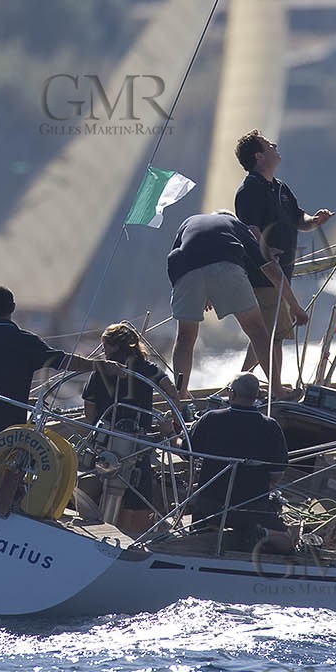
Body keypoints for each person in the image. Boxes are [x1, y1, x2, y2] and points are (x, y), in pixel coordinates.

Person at [0, 285, 126, 447]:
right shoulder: (27, 342)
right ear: (13, 308)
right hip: (7, 423)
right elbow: (64, 361)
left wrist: (22, 400)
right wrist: (103, 366)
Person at [233, 130, 333, 377]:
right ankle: (271, 389)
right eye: (268, 145)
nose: (275, 145)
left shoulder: (281, 188)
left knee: (267, 333)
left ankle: (244, 383)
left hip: (282, 273)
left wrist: (315, 221)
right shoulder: (249, 190)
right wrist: (265, 251)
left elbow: (299, 219)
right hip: (263, 273)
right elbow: (250, 229)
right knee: (272, 334)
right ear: (259, 156)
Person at [167, 211, 282, 398]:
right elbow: (263, 261)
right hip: (225, 265)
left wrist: (202, 295)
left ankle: (179, 394)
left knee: (184, 338)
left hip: (184, 271)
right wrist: (292, 303)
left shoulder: (189, 221)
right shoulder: (235, 224)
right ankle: (277, 388)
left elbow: (176, 259)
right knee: (257, 330)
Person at [82, 321, 180, 536]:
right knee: (139, 488)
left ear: (114, 346)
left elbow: (89, 408)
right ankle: (128, 532)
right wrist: (175, 417)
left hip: (105, 439)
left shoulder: (102, 369)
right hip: (138, 441)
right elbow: (170, 389)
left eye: (105, 345)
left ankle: (104, 528)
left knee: (100, 479)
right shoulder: (147, 368)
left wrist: (94, 429)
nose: (104, 350)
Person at [188, 373, 293, 549]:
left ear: (231, 394)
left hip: (211, 507)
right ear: (257, 396)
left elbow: (186, 453)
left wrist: (169, 433)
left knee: (204, 518)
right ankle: (261, 533)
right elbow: (277, 475)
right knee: (290, 541)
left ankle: (207, 532)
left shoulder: (211, 419)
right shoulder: (271, 426)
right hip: (252, 508)